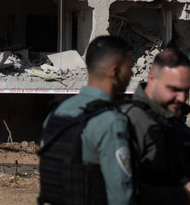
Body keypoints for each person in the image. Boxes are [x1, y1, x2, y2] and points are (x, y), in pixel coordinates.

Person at [39, 35, 135, 205]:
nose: (132, 74)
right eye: (129, 67)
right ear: (114, 71)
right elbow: (121, 197)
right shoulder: (110, 121)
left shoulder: (57, 112)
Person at [124, 47, 190, 204]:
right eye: (174, 89)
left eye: (186, 90)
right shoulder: (129, 121)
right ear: (152, 79)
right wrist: (180, 196)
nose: (182, 98)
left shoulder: (174, 120)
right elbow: (118, 191)